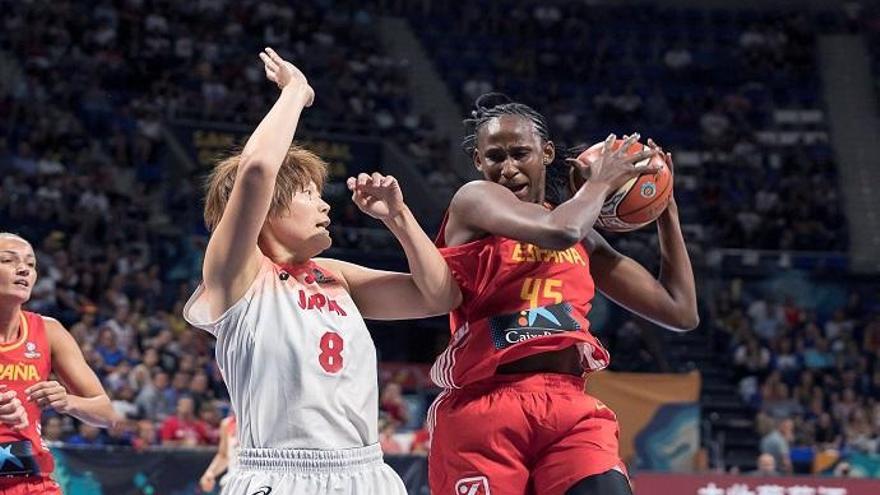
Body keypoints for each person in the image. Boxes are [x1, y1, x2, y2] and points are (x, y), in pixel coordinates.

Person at [183, 48, 460, 495]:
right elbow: (256, 170)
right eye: (310, 193)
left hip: (366, 470)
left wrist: (399, 218)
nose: (325, 204)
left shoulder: (334, 275)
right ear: (269, 207)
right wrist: (296, 91)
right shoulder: (236, 277)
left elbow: (438, 297)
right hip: (278, 472)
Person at [427, 94, 698, 495]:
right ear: (478, 163)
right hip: (485, 406)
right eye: (494, 157)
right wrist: (602, 181)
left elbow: (679, 310)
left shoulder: (583, 234)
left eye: (520, 153)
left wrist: (665, 209)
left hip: (568, 402)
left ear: (547, 153)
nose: (508, 168)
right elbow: (559, 230)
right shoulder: (474, 201)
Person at [0, 232, 121, 494]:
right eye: (8, 260)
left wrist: (67, 401)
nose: (23, 269)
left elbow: (107, 414)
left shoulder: (49, 331)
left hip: (31, 482)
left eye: (31, 264)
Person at [199, 414, 237, 493]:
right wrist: (210, 472)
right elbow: (224, 455)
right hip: (233, 479)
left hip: (260, 479)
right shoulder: (227, 423)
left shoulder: (260, 420)